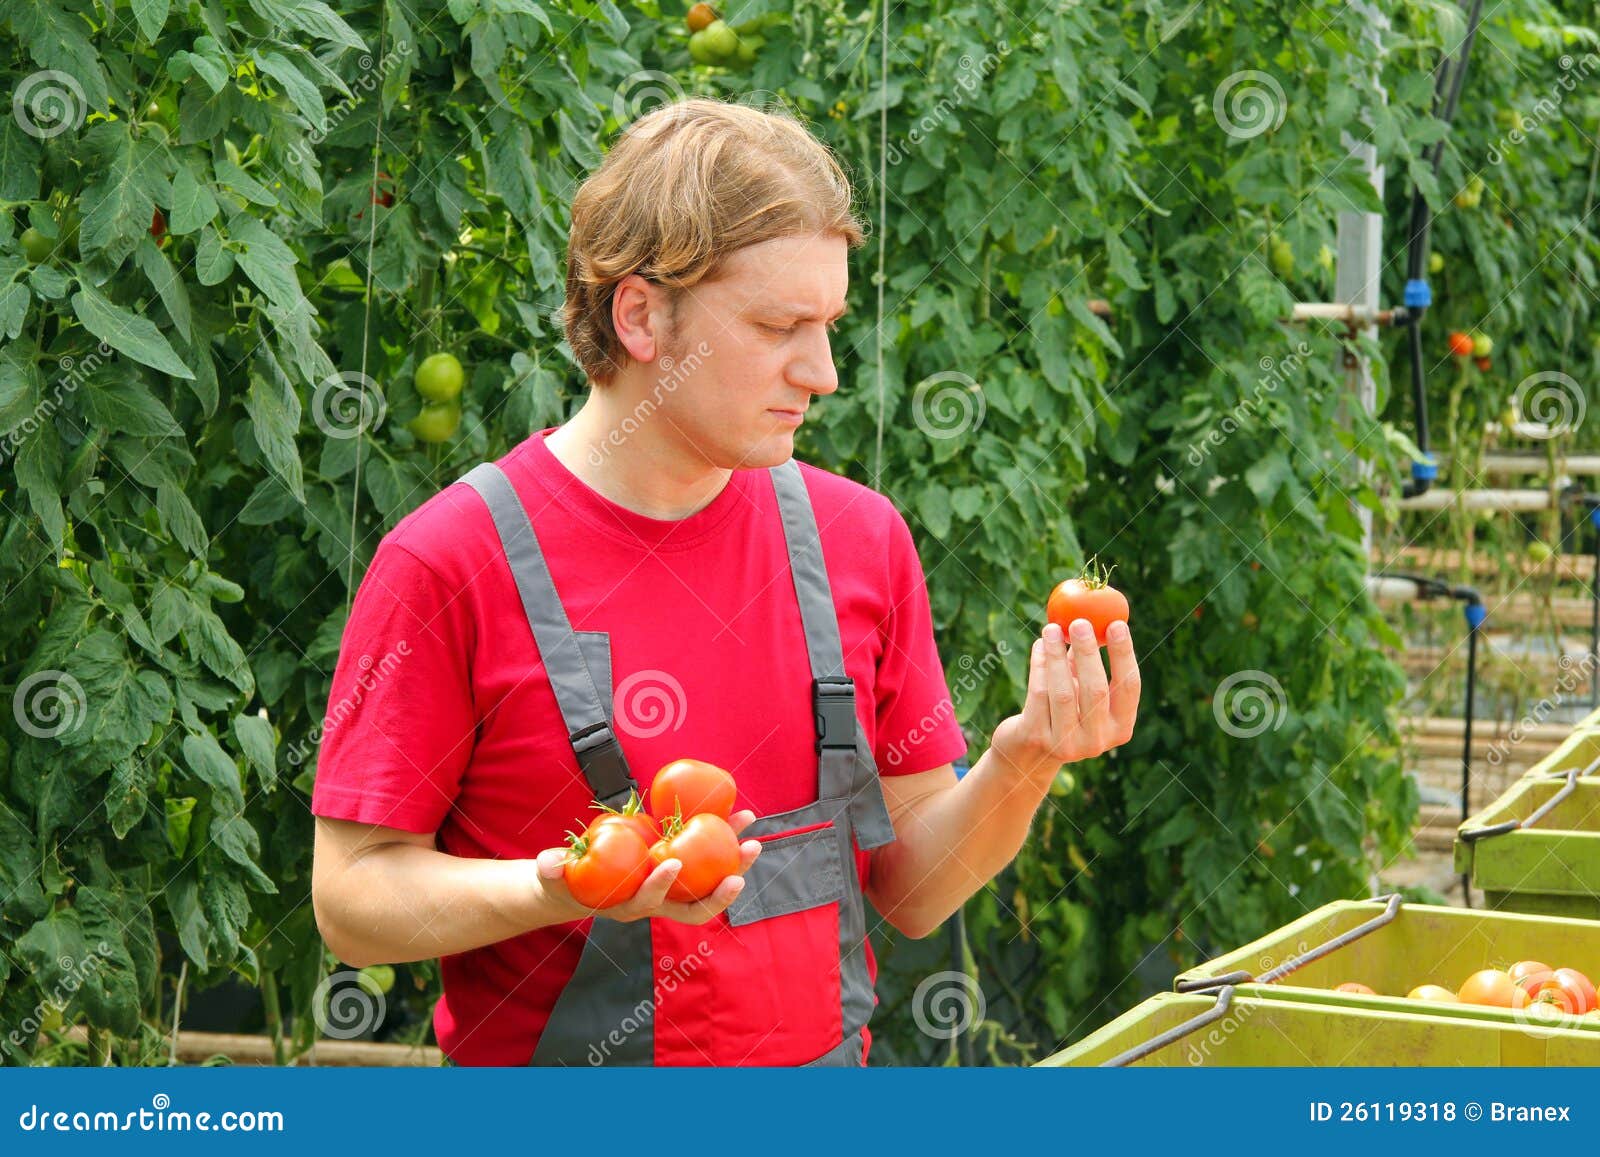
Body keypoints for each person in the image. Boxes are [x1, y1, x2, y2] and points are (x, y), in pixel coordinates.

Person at [309, 97, 1140, 1067]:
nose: (824, 370)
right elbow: (354, 900)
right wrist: (557, 885)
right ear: (641, 314)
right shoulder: (451, 561)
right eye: (780, 323)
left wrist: (1024, 759)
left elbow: (909, 889)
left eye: (828, 323)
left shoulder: (858, 540)